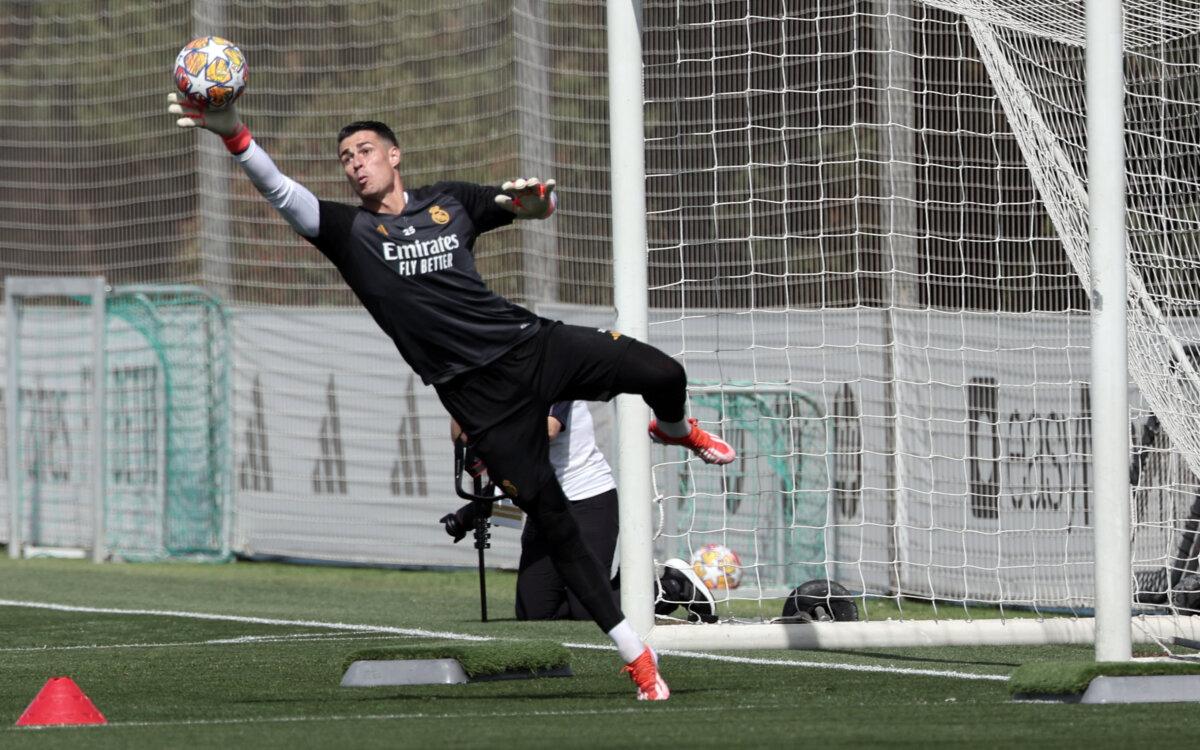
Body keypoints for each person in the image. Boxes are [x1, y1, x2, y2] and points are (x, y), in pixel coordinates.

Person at [167, 94, 737, 701]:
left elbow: (527, 206)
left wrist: (541, 204)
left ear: (394, 155)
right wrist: (234, 136)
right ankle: (636, 655)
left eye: (365, 151)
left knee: (662, 372)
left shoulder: (450, 203)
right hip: (481, 401)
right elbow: (281, 190)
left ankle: (674, 429)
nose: (355, 164)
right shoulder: (349, 232)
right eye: (344, 158)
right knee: (552, 524)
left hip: (533, 345)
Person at [441, 402, 716, 623]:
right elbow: (467, 432)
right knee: (534, 612)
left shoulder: (548, 372)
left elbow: (548, 429)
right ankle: (602, 593)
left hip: (588, 500)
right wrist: (470, 511)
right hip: (544, 506)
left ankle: (672, 585)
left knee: (588, 611)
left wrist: (491, 436)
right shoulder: (493, 384)